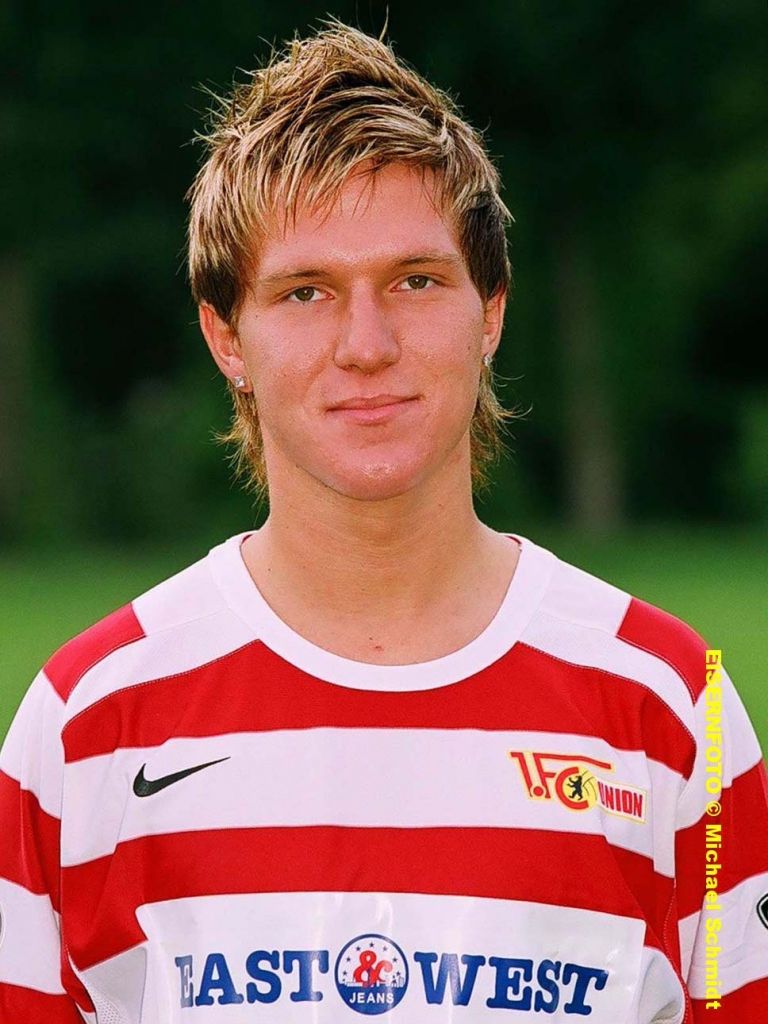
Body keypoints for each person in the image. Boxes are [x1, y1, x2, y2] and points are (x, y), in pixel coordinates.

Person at [0, 19, 766, 1024]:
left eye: (415, 280)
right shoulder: (88, 726)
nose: (366, 344)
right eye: (305, 292)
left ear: (491, 311)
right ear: (227, 338)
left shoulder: (674, 712)